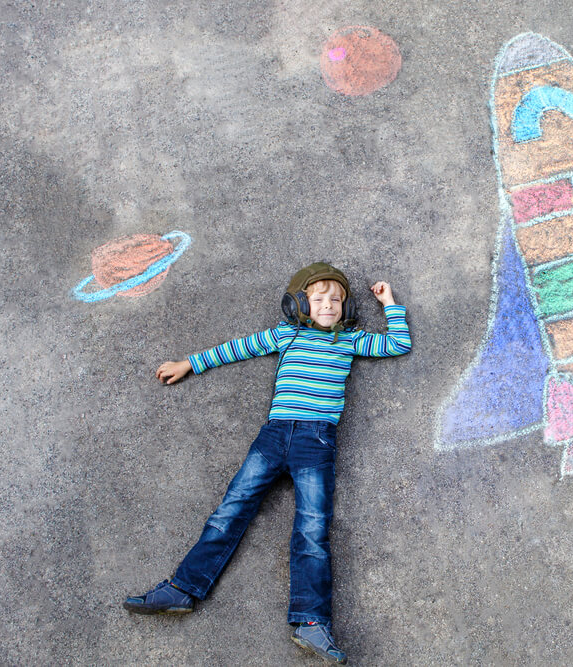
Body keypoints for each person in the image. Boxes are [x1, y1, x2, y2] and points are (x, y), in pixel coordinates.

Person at [123, 262, 411, 664]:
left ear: (345, 309)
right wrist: (189, 363)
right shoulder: (287, 334)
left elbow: (398, 343)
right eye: (317, 298)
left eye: (336, 299)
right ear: (299, 303)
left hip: (317, 443)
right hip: (274, 437)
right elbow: (237, 348)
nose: (327, 305)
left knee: (312, 530)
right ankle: (183, 589)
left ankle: (311, 623)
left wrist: (389, 302)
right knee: (230, 510)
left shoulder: (350, 339)